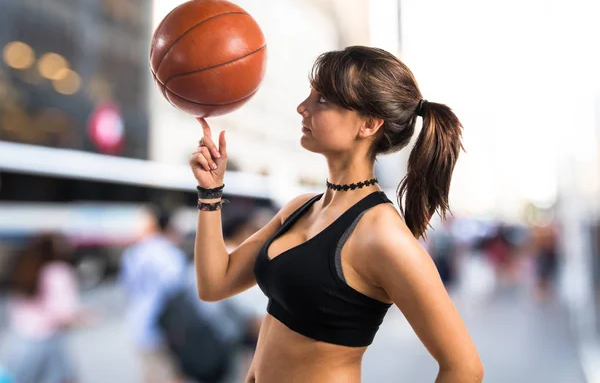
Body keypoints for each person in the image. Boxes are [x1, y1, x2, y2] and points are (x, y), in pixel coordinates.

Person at [190, 46, 484, 382]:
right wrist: (210, 193)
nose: (303, 108)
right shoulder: (299, 208)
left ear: (369, 124)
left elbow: (464, 368)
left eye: (322, 101)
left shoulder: (382, 235)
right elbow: (215, 284)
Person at [4, 233, 91, 383]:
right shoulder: (58, 271)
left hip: (22, 343)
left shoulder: (26, 268)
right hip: (49, 343)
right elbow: (65, 313)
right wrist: (85, 317)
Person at [120, 207, 187, 383]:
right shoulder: (169, 253)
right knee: (171, 374)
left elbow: (128, 286)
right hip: (164, 327)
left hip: (139, 322)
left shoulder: (133, 252)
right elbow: (176, 289)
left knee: (151, 374)